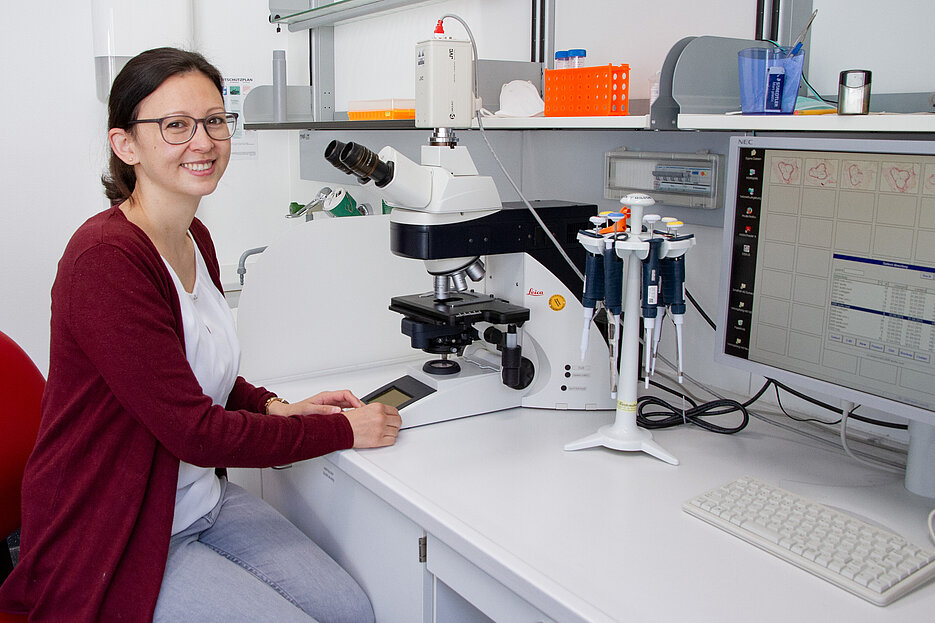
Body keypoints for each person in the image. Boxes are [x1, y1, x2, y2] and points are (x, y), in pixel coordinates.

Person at [0, 47, 401, 623]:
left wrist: (278, 408)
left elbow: (197, 377)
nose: (204, 141)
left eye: (215, 120)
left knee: (350, 611)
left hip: (194, 504)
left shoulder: (194, 239)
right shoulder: (105, 261)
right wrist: (341, 431)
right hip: (114, 527)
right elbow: (195, 433)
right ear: (125, 145)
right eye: (175, 126)